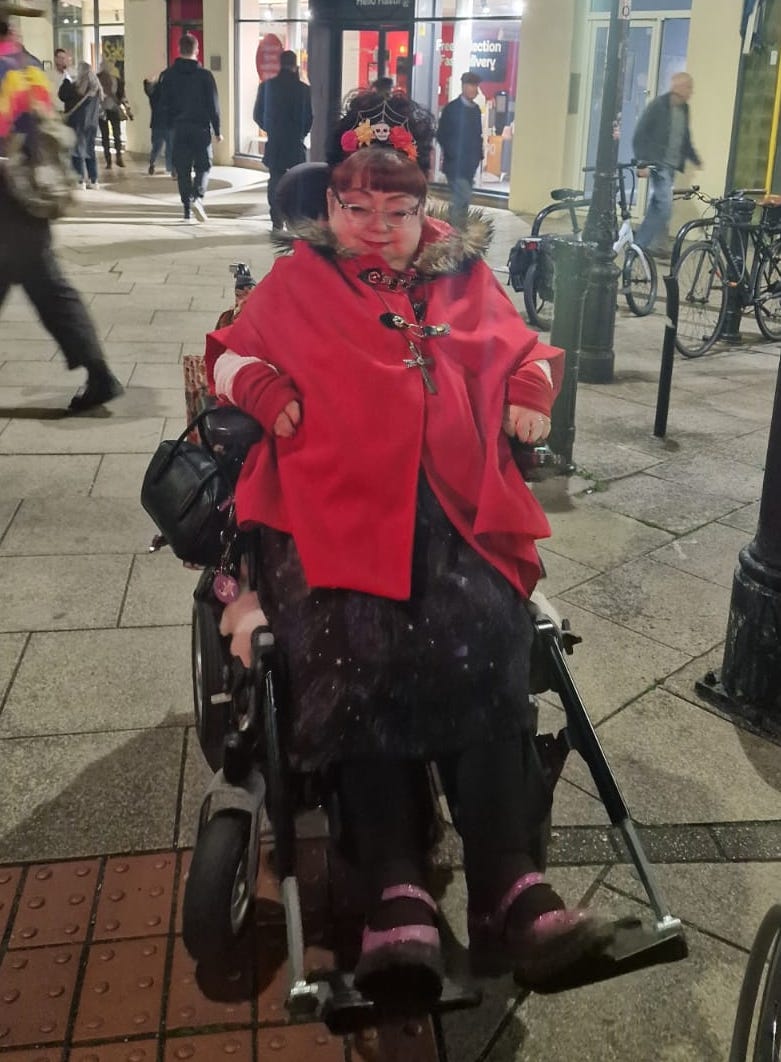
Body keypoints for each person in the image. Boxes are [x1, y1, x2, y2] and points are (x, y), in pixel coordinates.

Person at [204, 90, 608, 1002]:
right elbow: (228, 353)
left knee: (487, 638)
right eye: (357, 208)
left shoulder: (462, 275)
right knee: (356, 649)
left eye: (398, 209)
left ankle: (509, 881)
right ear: (330, 201)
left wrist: (531, 392)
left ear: (425, 203)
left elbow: (524, 351)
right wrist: (262, 387)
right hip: (328, 518)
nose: (378, 228)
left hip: (452, 517)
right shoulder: (298, 280)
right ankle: (392, 884)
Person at [0, 6, 122, 412]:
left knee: (50, 288)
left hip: (7, 200)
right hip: (29, 196)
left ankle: (100, 375)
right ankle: (99, 375)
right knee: (49, 288)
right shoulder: (26, 67)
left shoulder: (3, 70)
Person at [632, 71, 701, 256]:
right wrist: (642, 163)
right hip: (657, 164)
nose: (691, 91)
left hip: (670, 166)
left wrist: (695, 158)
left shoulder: (684, 109)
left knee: (658, 205)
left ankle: (650, 245)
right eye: (689, 87)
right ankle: (641, 243)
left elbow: (685, 137)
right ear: (677, 87)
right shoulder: (658, 106)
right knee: (664, 207)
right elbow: (640, 134)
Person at [159, 33, 221, 223]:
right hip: (200, 128)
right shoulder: (205, 76)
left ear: (179, 49)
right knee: (203, 166)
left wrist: (166, 127)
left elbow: (163, 104)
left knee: (183, 169)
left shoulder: (168, 75)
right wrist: (218, 130)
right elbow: (213, 105)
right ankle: (197, 197)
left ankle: (186, 209)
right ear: (197, 50)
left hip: (179, 129)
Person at [253, 49, 312, 232]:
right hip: (295, 142)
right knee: (296, 182)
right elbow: (309, 118)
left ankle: (276, 220)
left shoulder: (267, 86)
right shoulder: (303, 90)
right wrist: (301, 133)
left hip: (276, 142)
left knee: (275, 181)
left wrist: (270, 129)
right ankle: (292, 219)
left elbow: (257, 115)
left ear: (280, 64)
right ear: (295, 66)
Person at [436, 71, 484, 228]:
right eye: (471, 85)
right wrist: (453, 153)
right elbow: (441, 134)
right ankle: (455, 230)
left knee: (463, 200)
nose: (474, 89)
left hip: (470, 164)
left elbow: (477, 135)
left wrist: (478, 156)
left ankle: (456, 228)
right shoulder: (452, 109)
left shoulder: (475, 110)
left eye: (476, 86)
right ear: (463, 86)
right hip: (455, 164)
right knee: (462, 196)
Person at [59, 61, 102, 189]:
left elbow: (63, 95)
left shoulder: (78, 89)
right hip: (92, 125)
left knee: (77, 151)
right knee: (90, 151)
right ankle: (94, 180)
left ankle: (80, 180)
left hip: (77, 124)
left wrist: (66, 80)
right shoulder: (97, 89)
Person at [97, 59, 128, 170]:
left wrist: (126, 106)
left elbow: (121, 95)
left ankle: (115, 158)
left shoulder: (116, 80)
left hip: (110, 109)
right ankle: (110, 160)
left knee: (114, 134)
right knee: (108, 135)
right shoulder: (98, 79)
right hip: (103, 110)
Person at [143, 70, 172, 176]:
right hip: (169, 123)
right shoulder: (171, 90)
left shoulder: (154, 91)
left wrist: (148, 82)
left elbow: (148, 89)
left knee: (156, 146)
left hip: (157, 123)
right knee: (170, 146)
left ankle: (152, 163)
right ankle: (171, 168)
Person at [51, 46, 72, 111]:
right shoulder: (48, 74)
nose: (62, 60)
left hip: (68, 110)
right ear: (55, 59)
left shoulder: (71, 74)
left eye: (63, 58)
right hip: (54, 110)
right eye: (59, 57)